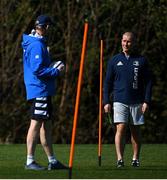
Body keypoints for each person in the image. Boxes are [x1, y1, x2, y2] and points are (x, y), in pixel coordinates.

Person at [21, 15, 67, 170]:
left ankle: (52, 161)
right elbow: (37, 69)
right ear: (45, 26)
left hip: (43, 88)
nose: (49, 29)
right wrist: (56, 71)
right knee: (35, 123)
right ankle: (29, 161)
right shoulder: (36, 45)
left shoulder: (38, 42)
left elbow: (39, 66)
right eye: (48, 26)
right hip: (39, 88)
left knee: (46, 125)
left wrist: (52, 65)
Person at [103, 32, 152, 168]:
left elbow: (148, 82)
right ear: (121, 41)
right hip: (119, 100)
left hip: (137, 100)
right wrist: (106, 101)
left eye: (129, 41)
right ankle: (120, 159)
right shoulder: (114, 60)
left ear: (133, 42)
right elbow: (107, 83)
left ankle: (135, 159)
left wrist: (146, 101)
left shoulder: (141, 60)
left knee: (135, 130)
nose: (126, 44)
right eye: (124, 41)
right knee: (121, 128)